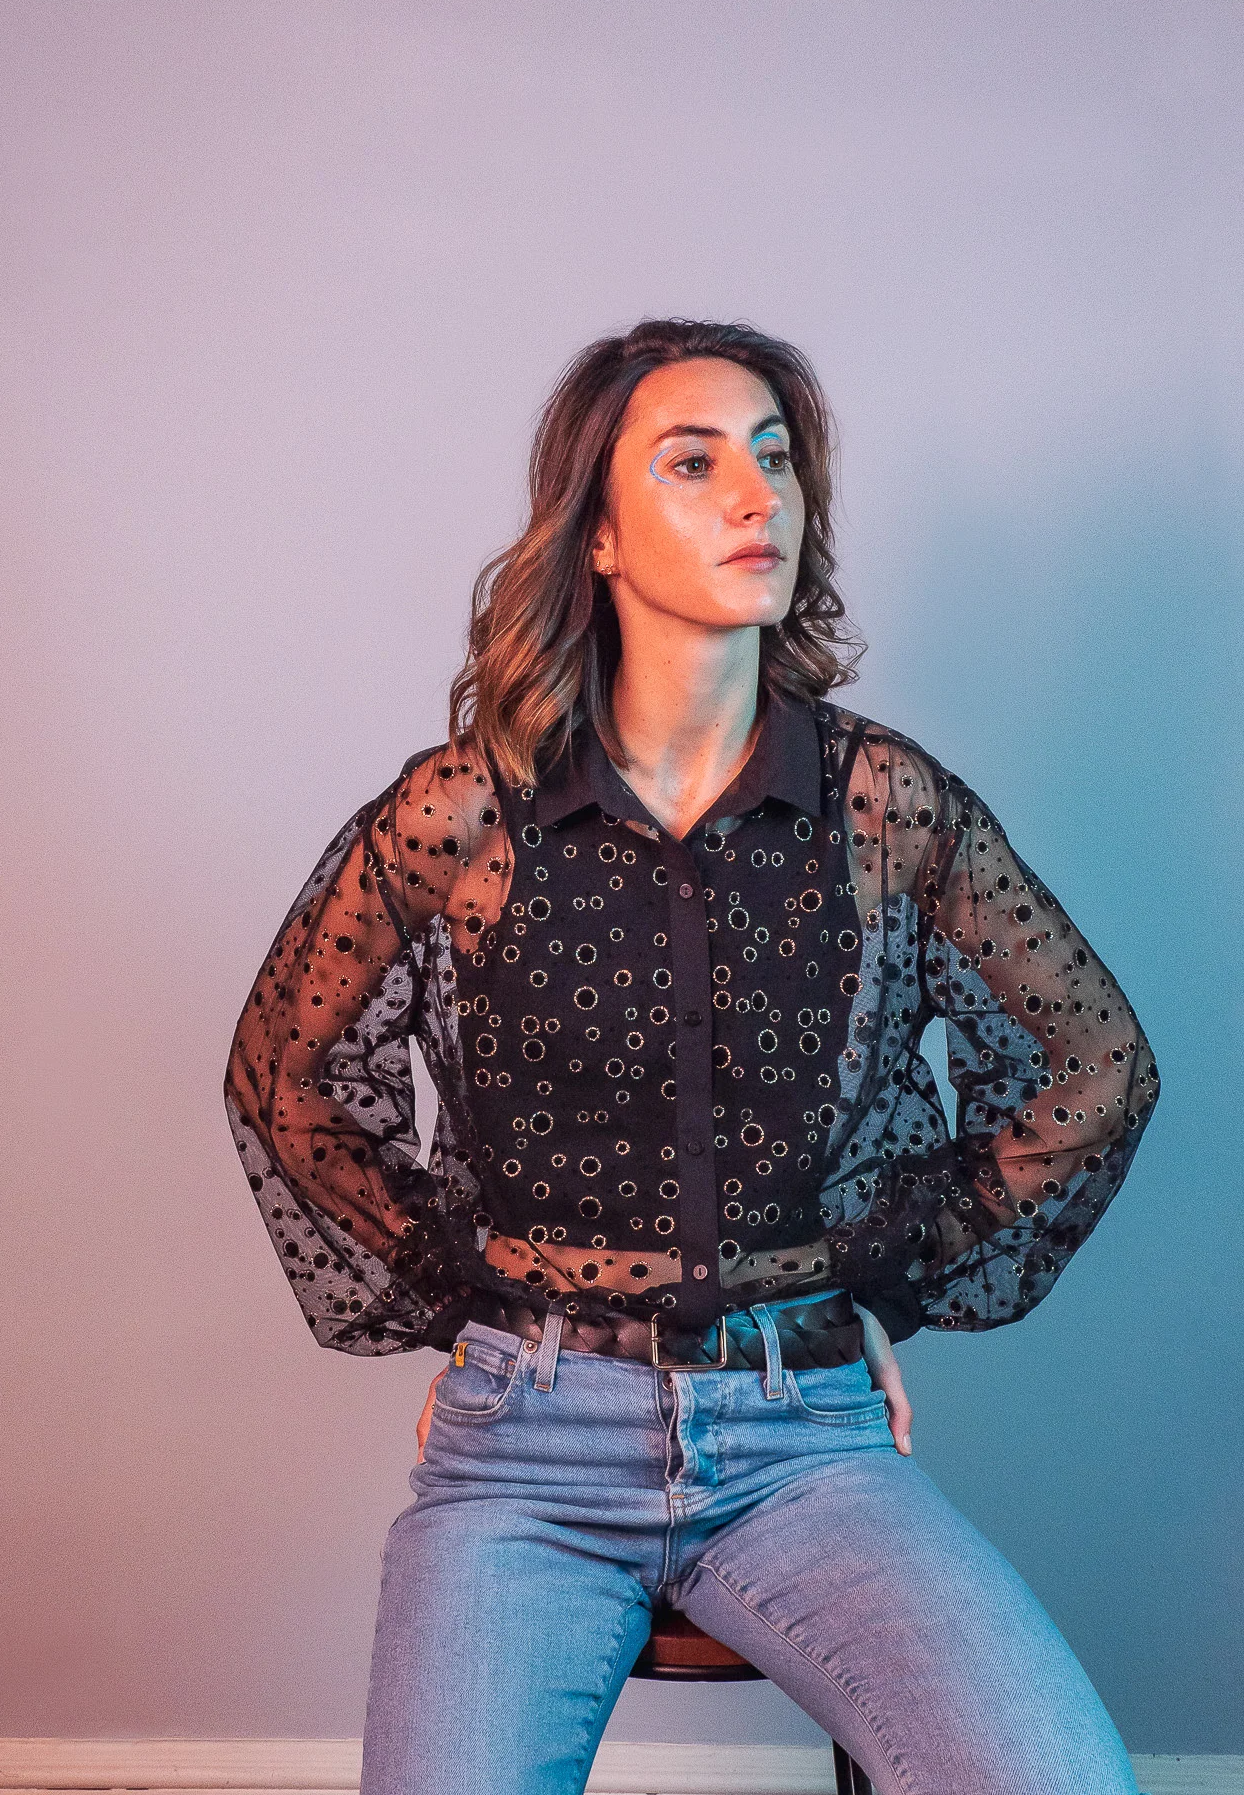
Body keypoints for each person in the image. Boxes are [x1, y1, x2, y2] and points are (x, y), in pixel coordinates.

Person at [224, 319, 1160, 1795]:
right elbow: (289, 1073)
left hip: (805, 1445)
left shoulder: (881, 805)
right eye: (695, 462)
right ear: (597, 534)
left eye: (776, 460)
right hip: (524, 1456)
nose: (757, 498)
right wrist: (467, 1300)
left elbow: (1093, 1067)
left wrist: (874, 1278)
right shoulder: (468, 811)